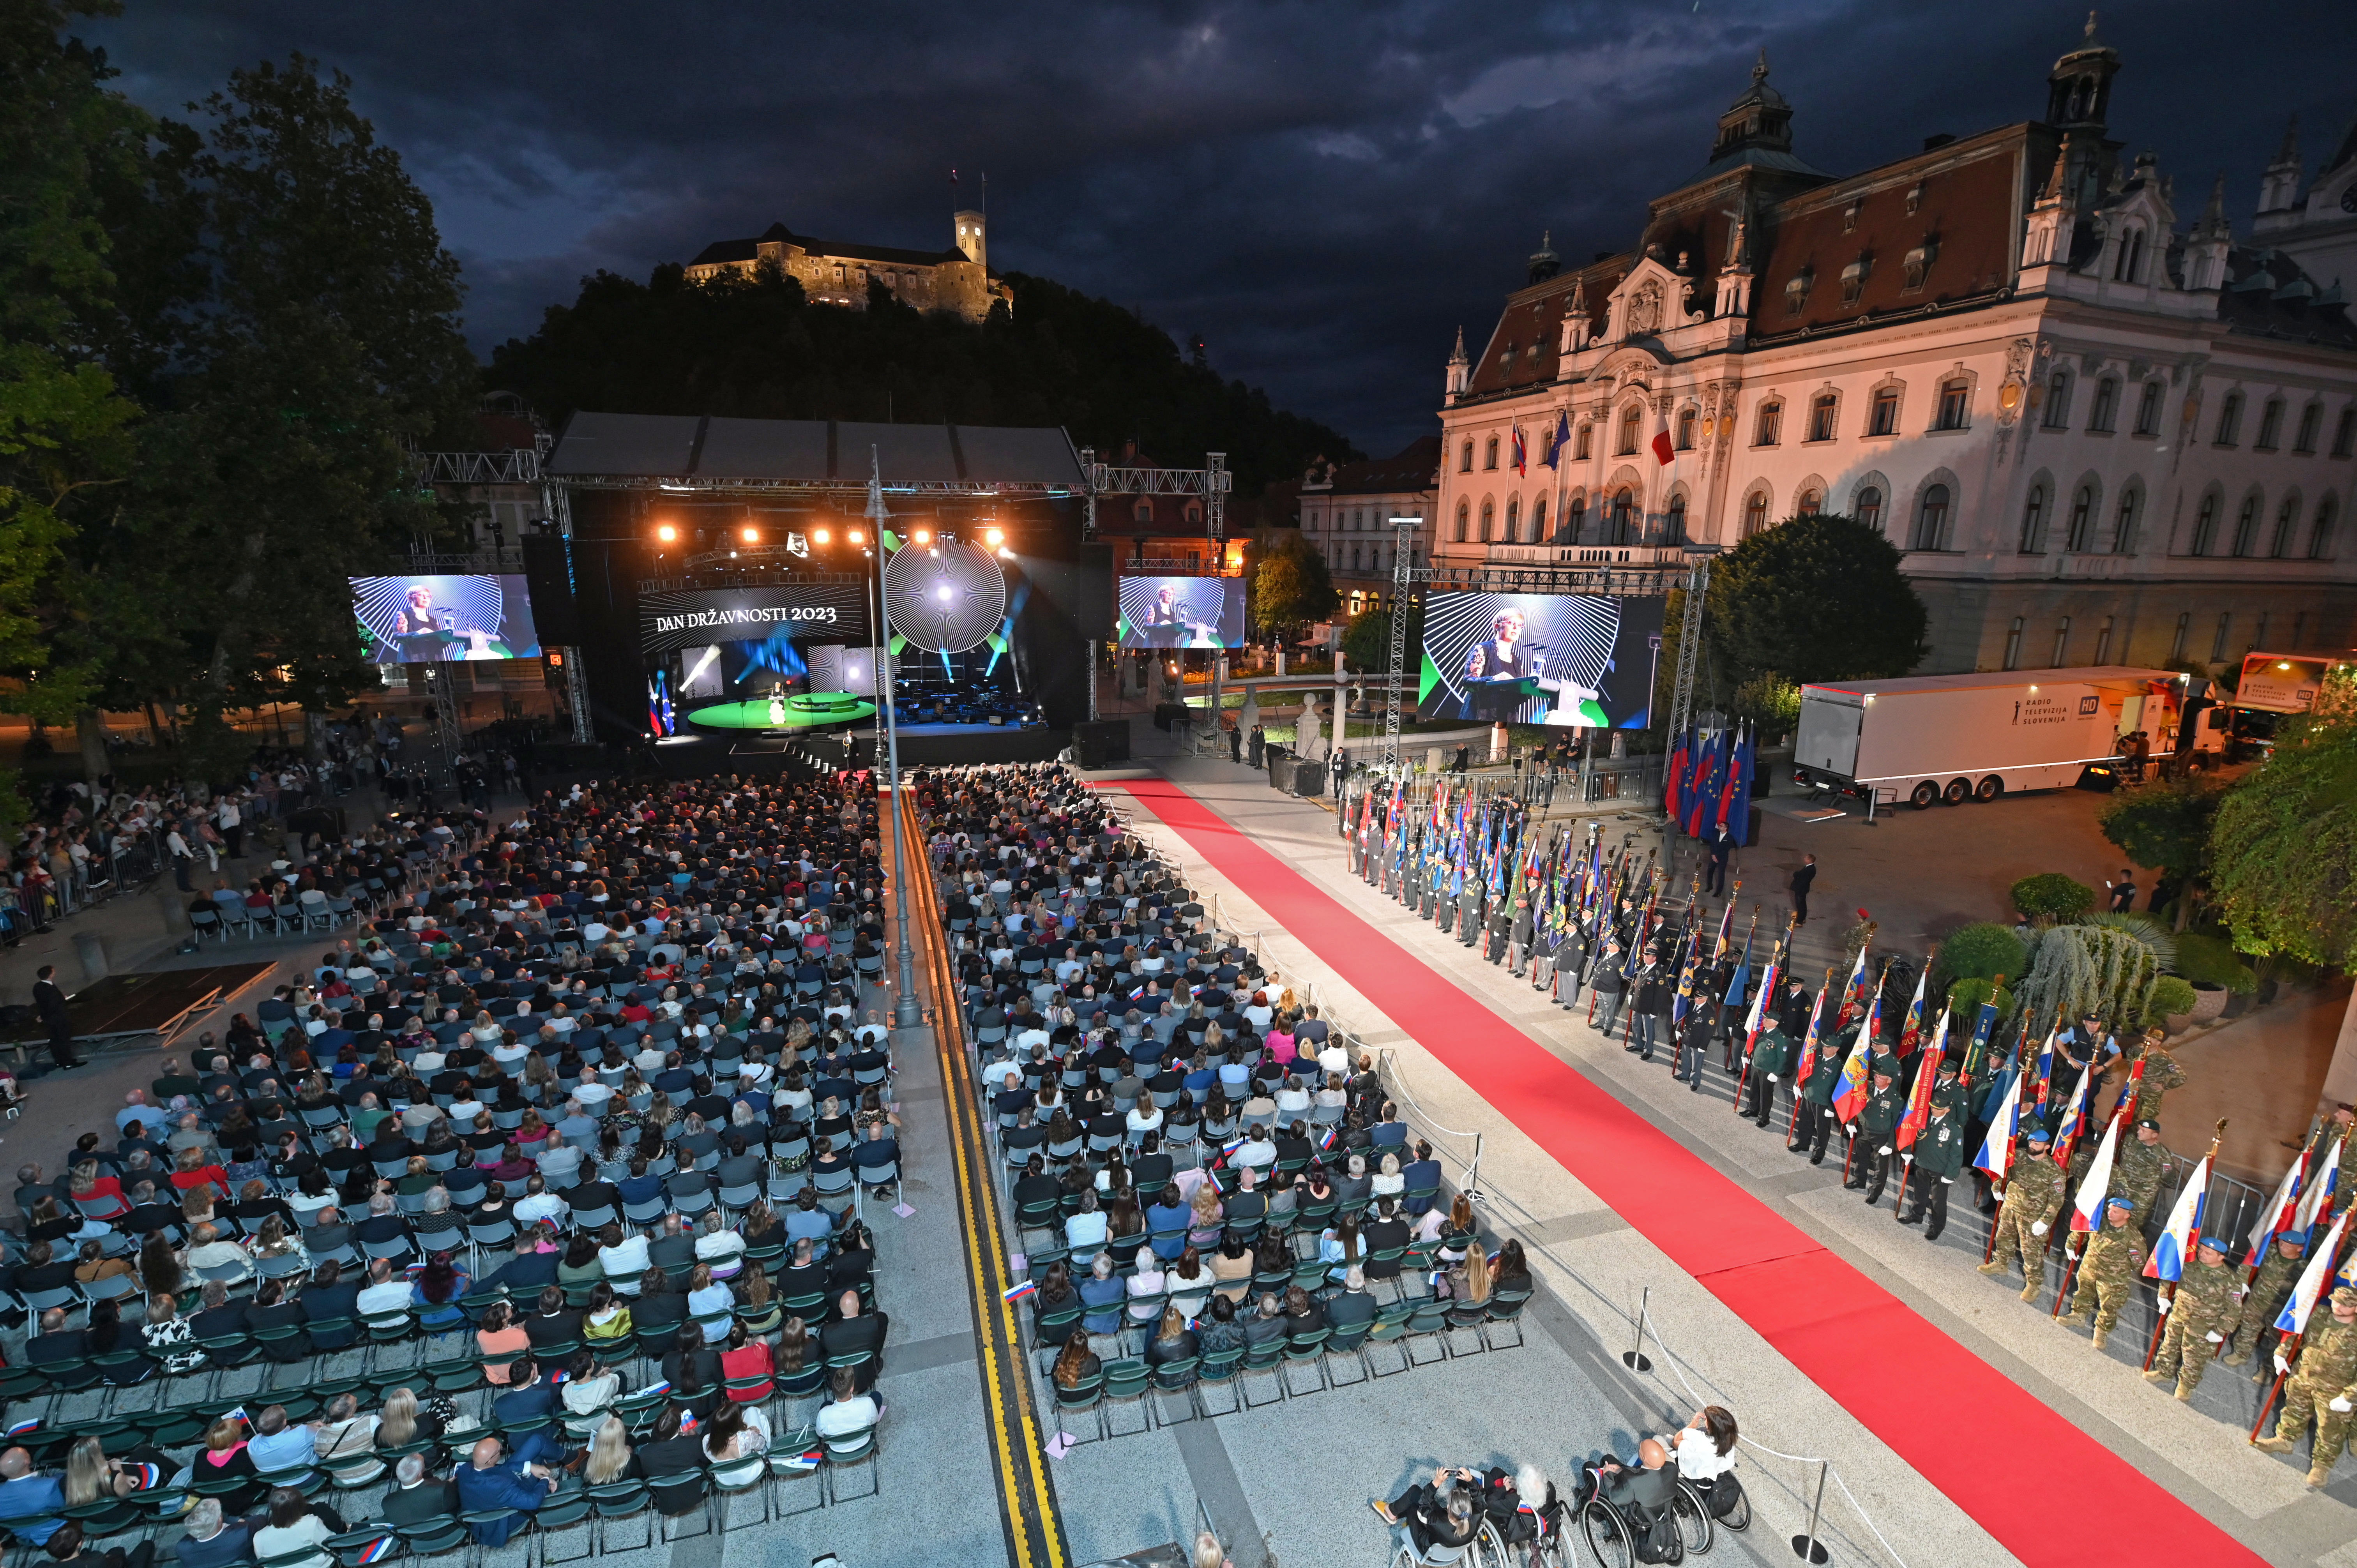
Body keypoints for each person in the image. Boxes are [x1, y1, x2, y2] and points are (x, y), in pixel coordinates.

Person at [2254, 1285, 2357, 1489]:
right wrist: (2281, 1353)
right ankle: (2285, 1439)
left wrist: (2350, 1396)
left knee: (2330, 1429)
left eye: (2347, 1305)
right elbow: (2295, 1332)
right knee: (2293, 1412)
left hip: (2335, 1389)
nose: (2339, 1307)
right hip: (2303, 1376)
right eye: (2336, 1301)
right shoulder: (2318, 1314)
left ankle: (2322, 1466)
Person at [2143, 1234, 2242, 1402]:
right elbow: (2170, 1275)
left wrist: (2220, 1331)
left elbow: (2234, 1310)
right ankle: (2164, 1371)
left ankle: (2186, 1385)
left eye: (2208, 1253)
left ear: (2221, 1257)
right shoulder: (2188, 1263)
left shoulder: (2231, 1281)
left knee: (2193, 1357)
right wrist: (2163, 1295)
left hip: (2203, 1326)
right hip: (2179, 1315)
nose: (2202, 1255)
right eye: (2201, 1250)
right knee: (2169, 1345)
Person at [1978, 1125, 2064, 1297]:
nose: (2032, 1145)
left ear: (2047, 1147)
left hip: (2033, 1217)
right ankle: (2001, 1263)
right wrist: (1997, 1187)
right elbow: (2006, 1174)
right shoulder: (2018, 1155)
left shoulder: (2054, 1171)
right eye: (2031, 1141)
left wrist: (2045, 1222)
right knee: (2003, 1237)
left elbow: (2057, 1201)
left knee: (2031, 1251)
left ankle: (2034, 1283)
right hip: (2011, 1206)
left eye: (2037, 1144)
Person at [2060, 1196, 2145, 1349]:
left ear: (2127, 1216)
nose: (2110, 1213)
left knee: (2109, 1305)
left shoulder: (2132, 1236)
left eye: (2116, 1211)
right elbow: (2082, 1230)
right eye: (2110, 1209)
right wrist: (2071, 1245)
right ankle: (2078, 1315)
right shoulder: (2099, 1221)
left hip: (2113, 1278)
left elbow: (2139, 1261)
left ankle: (2102, 1331)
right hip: (2090, 1268)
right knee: (2083, 1292)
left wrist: (2122, 1270)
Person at [453, 1435, 564, 1547]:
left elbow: (501, 1469)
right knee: (538, 1457)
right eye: (499, 1450)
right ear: (490, 1460)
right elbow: (533, 1501)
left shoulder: (465, 1469)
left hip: (498, 1493)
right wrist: (544, 1479)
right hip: (505, 1517)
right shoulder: (500, 1486)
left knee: (537, 1442)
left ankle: (567, 1458)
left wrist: (529, 1468)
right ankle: (567, 1459)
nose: (502, 1448)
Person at [1373, 1465, 1482, 1557]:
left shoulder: (1436, 1522)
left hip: (1427, 1550)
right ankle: (1395, 1512)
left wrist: (1436, 1483)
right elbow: (1480, 1499)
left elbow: (1422, 1504)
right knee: (1419, 1499)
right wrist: (1470, 1480)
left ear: (1449, 1508)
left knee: (1414, 1499)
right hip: (1450, 1552)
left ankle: (1391, 1512)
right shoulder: (1477, 1516)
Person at [0, 1447, 67, 1545]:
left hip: (25, 1540)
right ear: (27, 1461)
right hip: (59, 1535)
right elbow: (67, 1506)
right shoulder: (50, 1485)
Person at [378, 1453, 459, 1530]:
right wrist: (448, 1486)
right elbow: (457, 1503)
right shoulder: (441, 1490)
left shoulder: (387, 1503)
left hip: (415, 1538)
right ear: (420, 1474)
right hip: (447, 1530)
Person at [813, 1368, 879, 1456]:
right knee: (877, 1397)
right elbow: (875, 1420)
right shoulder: (868, 1403)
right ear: (852, 1389)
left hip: (837, 1449)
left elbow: (820, 1434)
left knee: (826, 1404)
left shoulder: (823, 1415)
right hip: (864, 1443)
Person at [32, 966, 83, 1071]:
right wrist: (63, 1000)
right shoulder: (51, 990)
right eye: (53, 972)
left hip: (48, 1020)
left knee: (54, 1041)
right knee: (63, 1041)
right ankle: (68, 1063)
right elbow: (53, 1006)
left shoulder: (38, 987)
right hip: (59, 1019)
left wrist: (42, 1016)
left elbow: (43, 1003)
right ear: (51, 975)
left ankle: (59, 1062)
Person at [1789, 853, 1816, 926]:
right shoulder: (1810, 868)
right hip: (1803, 889)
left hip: (1801, 889)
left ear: (1809, 860)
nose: (1804, 859)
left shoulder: (1809, 870)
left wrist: (1796, 875)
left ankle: (1799, 922)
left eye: (1806, 858)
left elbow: (1801, 877)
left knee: (1800, 905)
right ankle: (1803, 918)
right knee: (1803, 904)